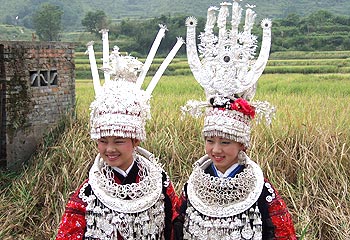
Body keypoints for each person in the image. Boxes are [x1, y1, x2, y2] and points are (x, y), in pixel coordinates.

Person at [173, 1, 296, 239]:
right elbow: (177, 230)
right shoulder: (193, 186)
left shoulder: (261, 190)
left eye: (226, 142)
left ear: (243, 144)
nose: (215, 150)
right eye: (210, 140)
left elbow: (281, 233)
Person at [56, 27, 184, 239]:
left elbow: (173, 228)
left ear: (135, 141)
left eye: (119, 141)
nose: (109, 149)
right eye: (103, 141)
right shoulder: (89, 191)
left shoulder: (159, 183)